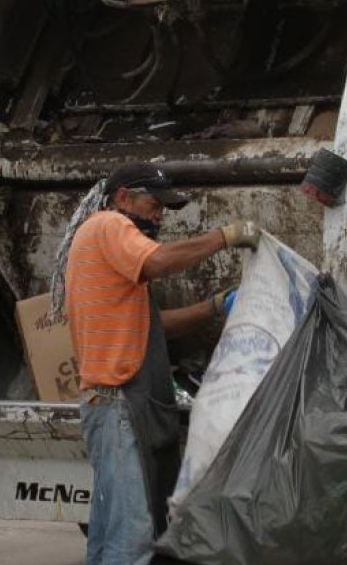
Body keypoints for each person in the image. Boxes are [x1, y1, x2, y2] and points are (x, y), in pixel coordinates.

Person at [64, 163, 259, 565]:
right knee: (132, 538)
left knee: (109, 532)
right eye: (153, 205)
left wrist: (215, 306)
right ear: (122, 198)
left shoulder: (105, 249)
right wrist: (225, 237)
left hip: (111, 406)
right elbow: (157, 261)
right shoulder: (109, 226)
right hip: (118, 403)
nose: (157, 217)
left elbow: (156, 326)